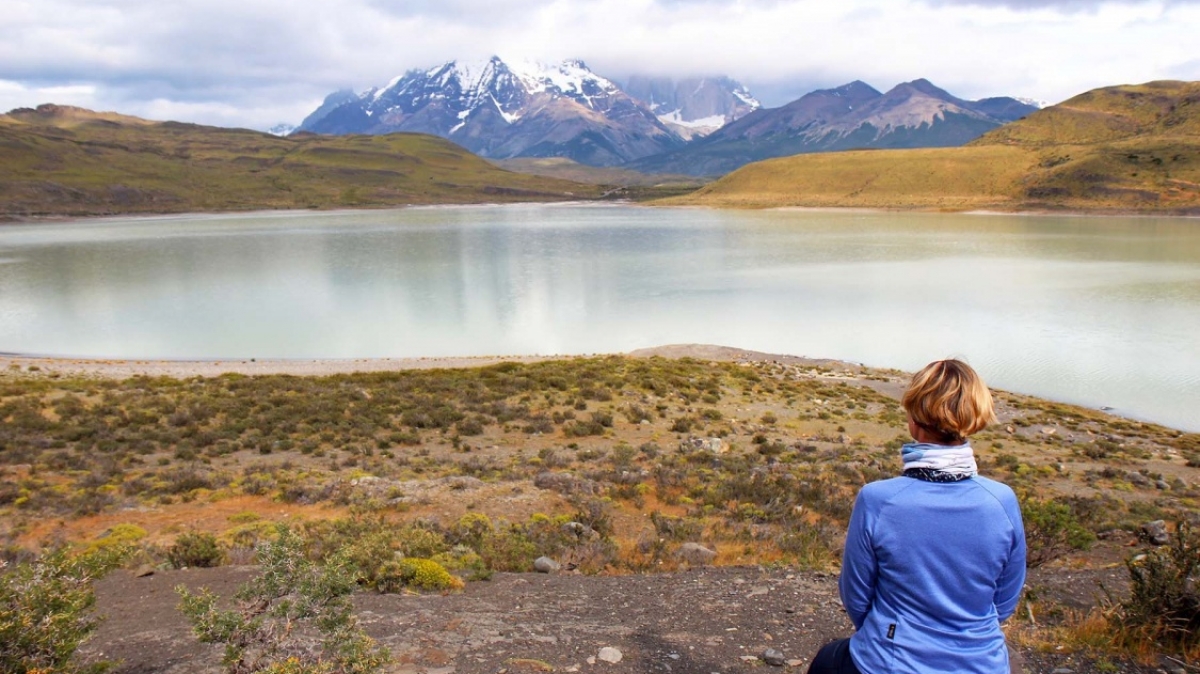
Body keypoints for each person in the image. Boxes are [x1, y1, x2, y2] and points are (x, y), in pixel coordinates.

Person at [807, 359, 1026, 674]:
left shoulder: (878, 500)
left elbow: (856, 598)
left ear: (913, 419)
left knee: (827, 662)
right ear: (975, 417)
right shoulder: (1002, 501)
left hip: (890, 662)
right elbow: (1005, 600)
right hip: (982, 663)